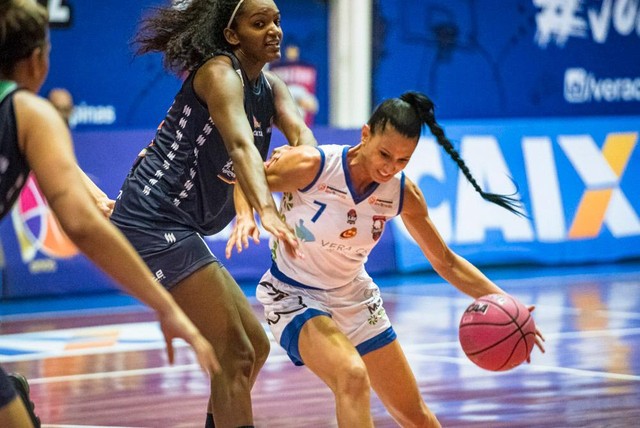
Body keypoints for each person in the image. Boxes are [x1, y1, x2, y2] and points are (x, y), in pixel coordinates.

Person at [228, 91, 546, 427]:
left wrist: (510, 304)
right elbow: (247, 177)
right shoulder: (314, 167)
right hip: (294, 294)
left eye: (402, 161)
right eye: (384, 154)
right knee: (351, 375)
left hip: (353, 294)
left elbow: (446, 262)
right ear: (365, 134)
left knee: (416, 415)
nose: (389, 168)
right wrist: (248, 216)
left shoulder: (401, 193)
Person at [0, 1, 219, 427]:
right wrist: (166, 308)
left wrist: (100, 200)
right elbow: (81, 225)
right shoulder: (29, 113)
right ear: (38, 59)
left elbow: (66, 178)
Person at [109, 0, 317, 426]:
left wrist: (319, 168)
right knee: (235, 353)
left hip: (181, 226)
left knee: (253, 349)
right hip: (154, 220)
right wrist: (265, 211)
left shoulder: (273, 88)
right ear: (232, 35)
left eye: (276, 21)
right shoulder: (219, 74)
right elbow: (241, 147)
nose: (274, 30)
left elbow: (304, 140)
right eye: (259, 23)